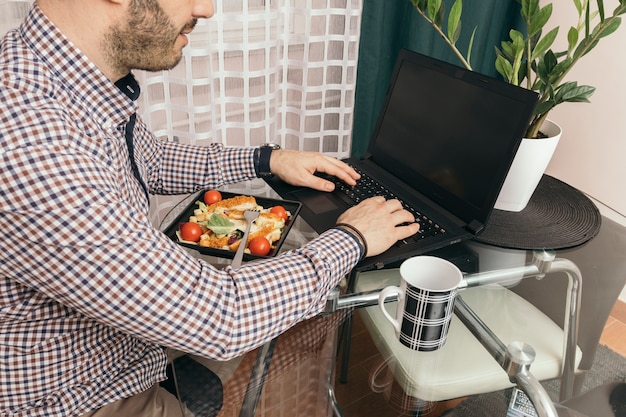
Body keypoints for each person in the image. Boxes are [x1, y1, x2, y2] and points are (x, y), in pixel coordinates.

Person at [0, 0, 419, 416]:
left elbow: (153, 161)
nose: (207, 9)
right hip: (81, 396)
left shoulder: (63, 79)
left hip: (121, 345)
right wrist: (353, 238)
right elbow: (221, 317)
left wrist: (267, 160)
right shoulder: (30, 142)